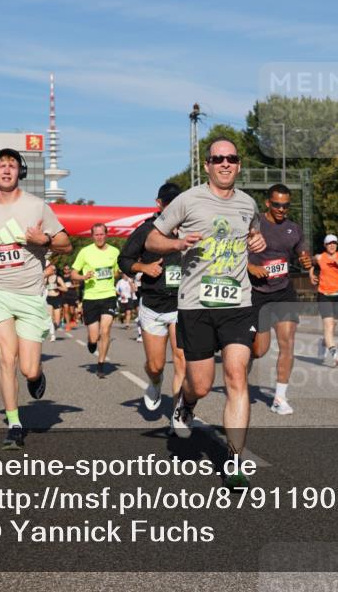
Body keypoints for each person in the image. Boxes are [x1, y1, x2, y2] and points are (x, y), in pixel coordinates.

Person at [146, 137, 265, 488]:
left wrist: (257, 241)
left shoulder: (247, 203)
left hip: (237, 303)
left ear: (239, 165)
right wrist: (176, 243)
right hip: (196, 305)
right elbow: (154, 239)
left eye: (231, 158)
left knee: (236, 376)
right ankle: (185, 404)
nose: (225, 164)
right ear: (207, 164)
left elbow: (253, 235)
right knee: (200, 383)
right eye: (218, 159)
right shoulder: (188, 200)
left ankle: (234, 461)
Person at [0, 148, 71, 450]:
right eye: (0, 166)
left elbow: (65, 244)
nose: (6, 170)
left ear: (19, 171)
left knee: (28, 369)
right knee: (7, 357)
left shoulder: (37, 206)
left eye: (11, 166)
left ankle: (36, 377)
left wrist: (43, 240)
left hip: (30, 294)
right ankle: (14, 423)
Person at [120, 182, 186, 413]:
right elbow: (124, 260)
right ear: (159, 204)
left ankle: (178, 413)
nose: (172, 208)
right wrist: (143, 267)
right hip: (153, 305)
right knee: (156, 365)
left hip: (182, 304)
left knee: (182, 360)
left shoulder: (190, 228)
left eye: (177, 203)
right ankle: (155, 382)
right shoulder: (146, 230)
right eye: (168, 203)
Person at [247, 183, 311, 415]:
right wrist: (251, 267)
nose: (281, 209)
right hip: (258, 293)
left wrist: (306, 260)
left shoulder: (293, 229)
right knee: (259, 350)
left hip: (283, 291)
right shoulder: (255, 224)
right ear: (268, 203)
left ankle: (280, 398)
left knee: (287, 342)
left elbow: (302, 249)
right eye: (277, 205)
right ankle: (244, 370)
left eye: (285, 206)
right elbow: (233, 252)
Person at [72, 223, 120, 379]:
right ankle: (91, 343)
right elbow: (73, 274)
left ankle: (101, 364)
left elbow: (117, 272)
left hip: (109, 295)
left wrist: (117, 274)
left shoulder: (115, 251)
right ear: (92, 236)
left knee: (105, 331)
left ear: (107, 235)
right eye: (96, 234)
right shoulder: (85, 252)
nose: (99, 237)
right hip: (91, 298)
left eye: (102, 234)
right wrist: (83, 277)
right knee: (94, 337)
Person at [310, 234, 338, 367]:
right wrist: (311, 275)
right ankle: (335, 355)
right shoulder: (319, 257)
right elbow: (310, 264)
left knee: (332, 326)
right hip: (324, 294)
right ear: (325, 245)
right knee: (328, 326)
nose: (332, 245)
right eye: (329, 243)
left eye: (334, 242)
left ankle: (323, 343)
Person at [43, 263, 63, 342]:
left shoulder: (58, 278)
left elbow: (65, 288)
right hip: (49, 299)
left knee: (57, 322)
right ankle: (53, 335)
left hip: (57, 298)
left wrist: (57, 287)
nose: (53, 271)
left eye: (55, 270)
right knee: (50, 318)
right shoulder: (46, 278)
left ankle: (54, 328)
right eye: (52, 269)